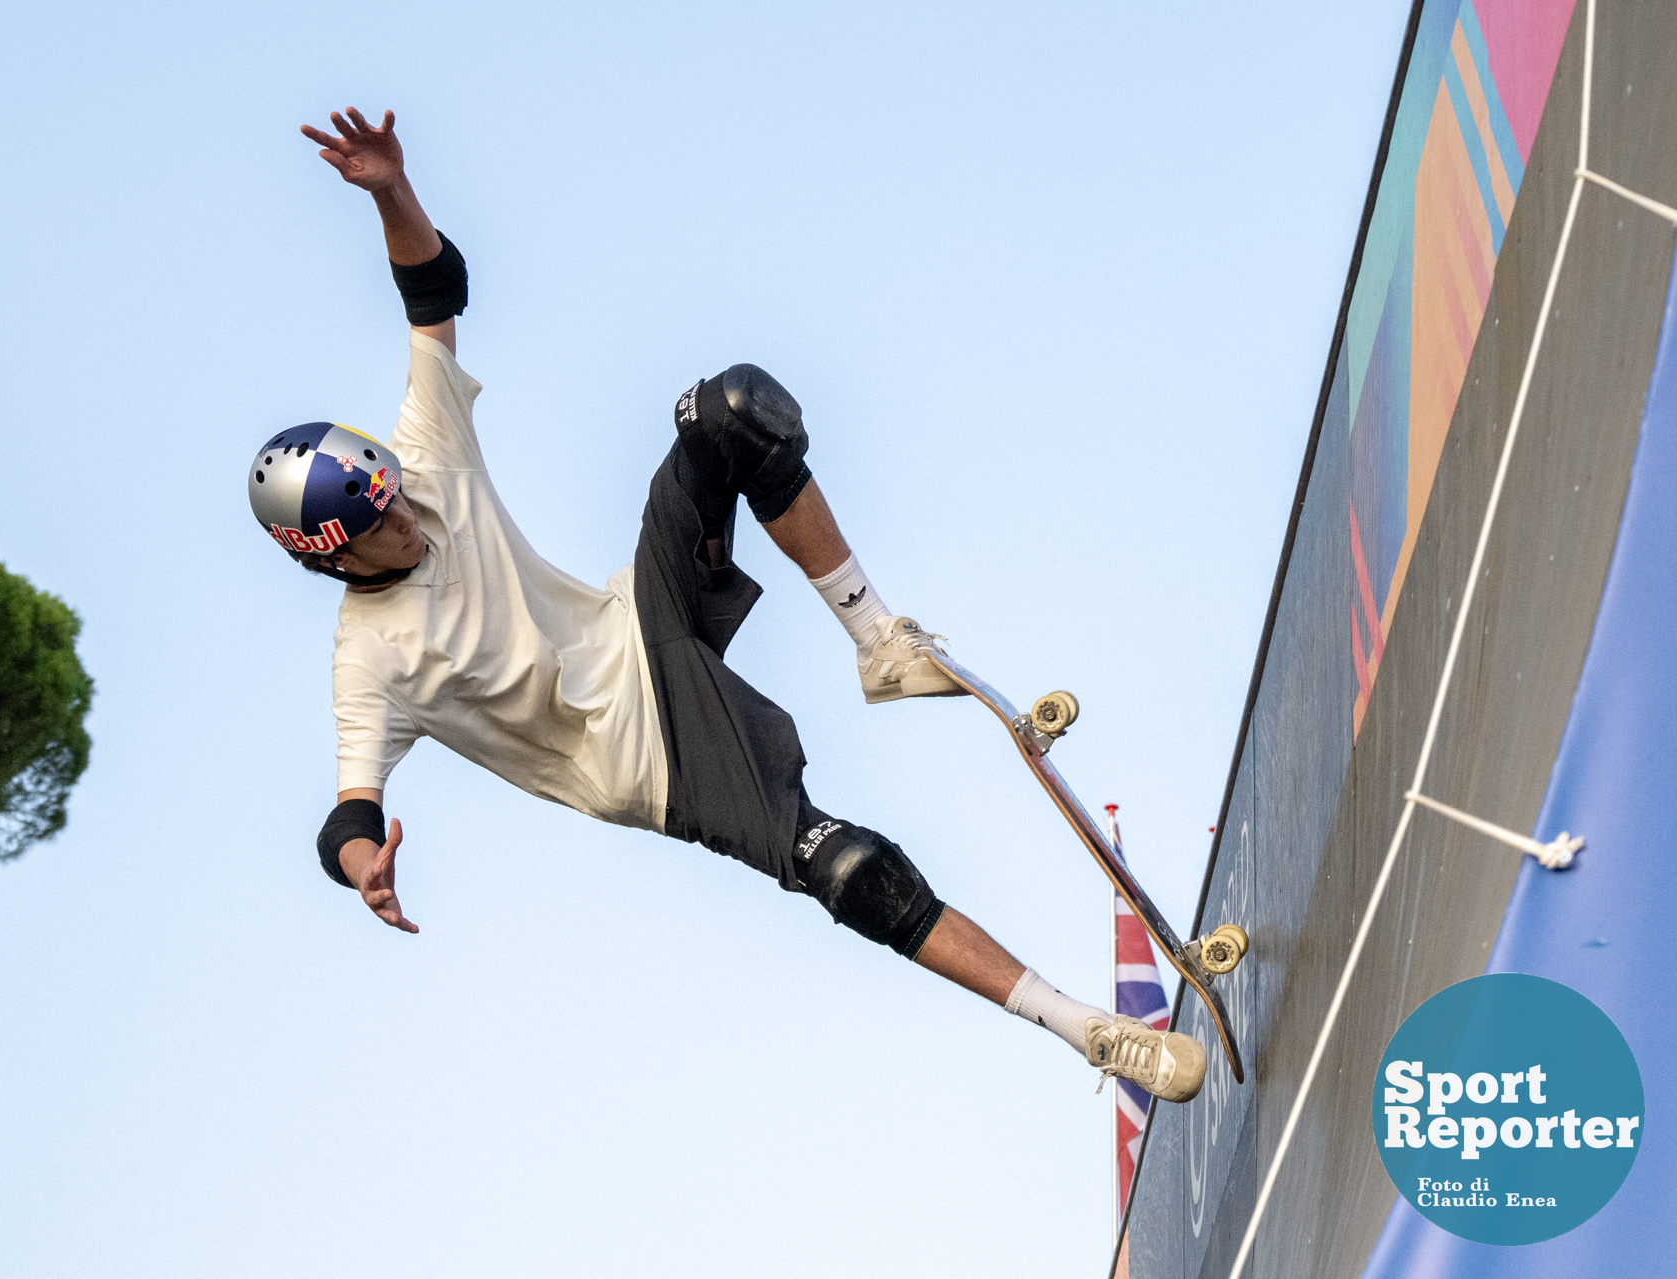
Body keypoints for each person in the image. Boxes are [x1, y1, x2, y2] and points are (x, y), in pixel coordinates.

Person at [252, 106, 1205, 1104]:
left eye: (393, 485)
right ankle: (1088, 1029)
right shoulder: (370, 661)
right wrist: (364, 866)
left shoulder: (426, 468)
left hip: (640, 616)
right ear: (331, 557)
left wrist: (392, 189)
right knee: (847, 870)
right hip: (645, 757)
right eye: (380, 519)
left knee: (729, 412)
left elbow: (433, 298)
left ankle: (878, 640)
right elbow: (349, 811)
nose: (405, 507)